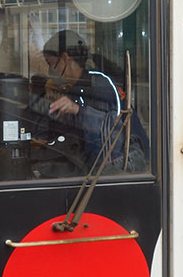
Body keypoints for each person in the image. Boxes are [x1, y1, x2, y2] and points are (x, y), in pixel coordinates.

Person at [39, 29, 147, 173]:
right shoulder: (74, 89)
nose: (50, 71)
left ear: (65, 58)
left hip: (121, 167)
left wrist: (77, 110)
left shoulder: (99, 85)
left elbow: (111, 128)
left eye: (51, 64)